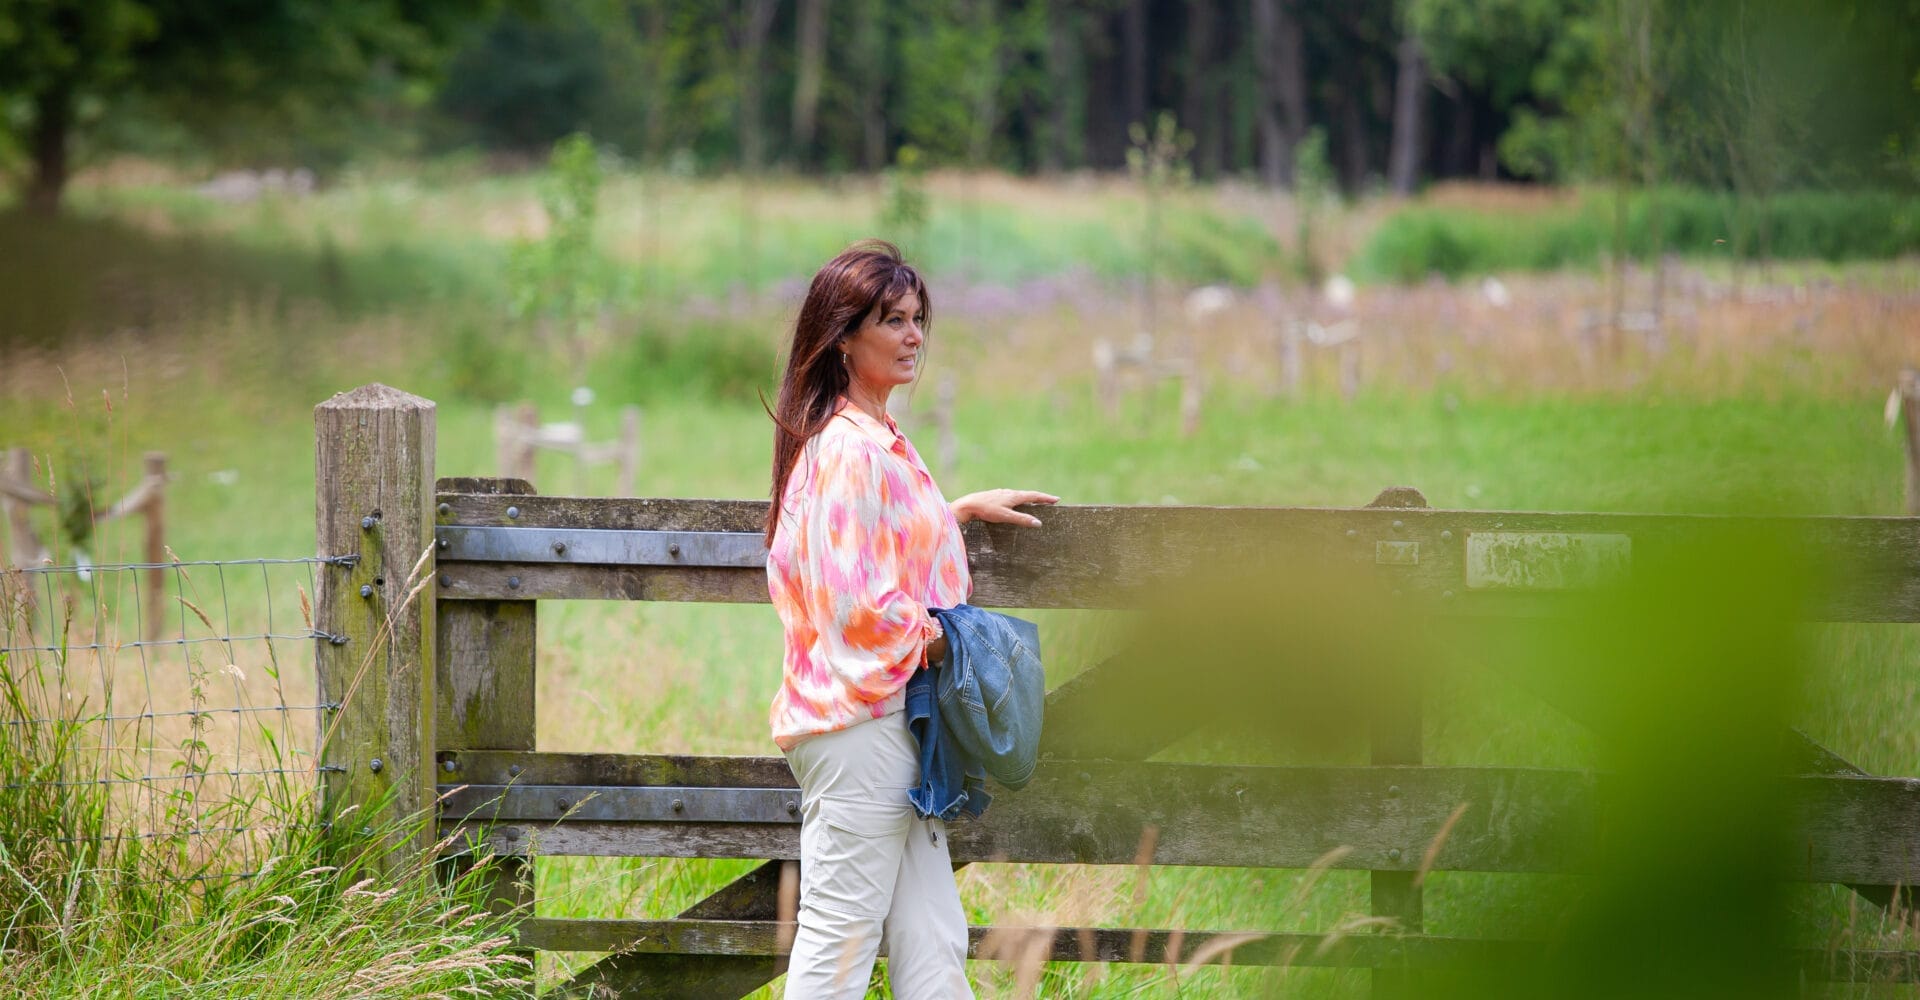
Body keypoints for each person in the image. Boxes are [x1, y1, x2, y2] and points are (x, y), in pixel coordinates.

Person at [764, 240, 1057, 998]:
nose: (914, 335)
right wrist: (944, 643)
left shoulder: (873, 440)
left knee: (932, 939)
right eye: (891, 320)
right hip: (862, 728)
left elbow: (870, 542)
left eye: (918, 318)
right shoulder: (846, 448)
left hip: (894, 725)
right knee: (839, 938)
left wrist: (951, 513)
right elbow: (854, 598)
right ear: (841, 335)